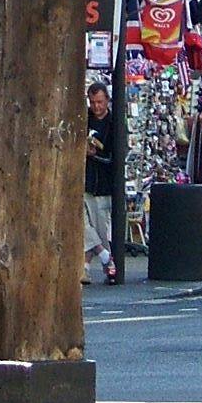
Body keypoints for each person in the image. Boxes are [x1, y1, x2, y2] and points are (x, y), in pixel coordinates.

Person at [82, 82, 118, 285]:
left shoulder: (114, 123)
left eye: (100, 102)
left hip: (103, 183)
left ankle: (93, 267)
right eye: (93, 102)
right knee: (81, 224)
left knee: (99, 229)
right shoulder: (84, 119)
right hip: (84, 180)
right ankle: (104, 256)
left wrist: (95, 155)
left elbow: (115, 156)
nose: (96, 107)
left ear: (107, 101)